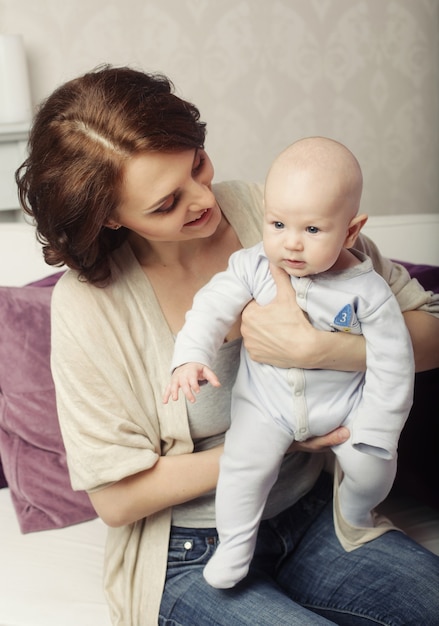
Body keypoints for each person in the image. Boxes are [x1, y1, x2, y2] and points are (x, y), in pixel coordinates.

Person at [16, 65, 439, 626]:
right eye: (166, 204)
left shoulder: (274, 210)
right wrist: (282, 439)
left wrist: (318, 350)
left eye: (197, 163)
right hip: (190, 554)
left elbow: (427, 329)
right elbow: (116, 501)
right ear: (112, 218)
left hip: (317, 515)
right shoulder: (90, 306)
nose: (203, 200)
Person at [163, 136, 415, 589]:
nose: (291, 244)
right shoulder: (251, 265)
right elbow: (209, 308)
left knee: (374, 463)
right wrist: (190, 357)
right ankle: (235, 544)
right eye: (277, 223)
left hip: (345, 409)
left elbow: (394, 362)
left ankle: (355, 511)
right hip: (267, 407)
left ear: (351, 231)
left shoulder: (368, 290)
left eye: (313, 230)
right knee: (244, 467)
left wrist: (379, 424)